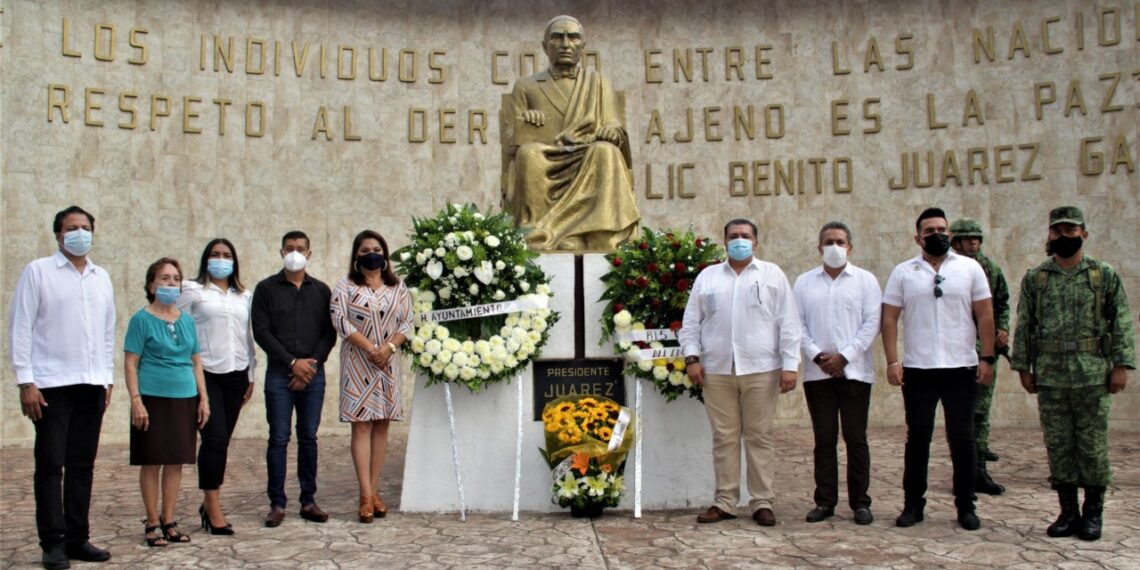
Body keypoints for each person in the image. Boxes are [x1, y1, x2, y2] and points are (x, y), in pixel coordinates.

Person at [1010, 206, 1134, 541]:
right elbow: (1025, 326)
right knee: (1059, 446)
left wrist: (1121, 365)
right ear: (1049, 234)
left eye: (1070, 230)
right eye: (1057, 231)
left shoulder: (1102, 274)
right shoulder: (1037, 278)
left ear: (1084, 234)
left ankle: (1093, 513)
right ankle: (1067, 512)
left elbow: (1121, 320)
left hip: (1092, 376)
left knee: (1092, 447)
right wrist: (1023, 367)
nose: (1064, 236)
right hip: (1051, 377)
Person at [9, 206, 115, 569]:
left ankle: (77, 538)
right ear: (58, 235)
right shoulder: (38, 272)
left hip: (91, 384)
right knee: (51, 464)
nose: (80, 233)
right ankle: (52, 542)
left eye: (86, 227)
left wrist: (107, 377)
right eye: (72, 228)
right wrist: (26, 380)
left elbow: (106, 331)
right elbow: (21, 327)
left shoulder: (101, 277)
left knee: (83, 463)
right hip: (51, 385)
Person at [679, 218, 801, 526]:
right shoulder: (708, 277)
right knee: (724, 437)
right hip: (717, 370)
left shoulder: (772, 275)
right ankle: (725, 502)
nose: (739, 240)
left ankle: (762, 502)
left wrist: (790, 365)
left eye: (745, 236)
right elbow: (691, 322)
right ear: (724, 241)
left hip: (761, 369)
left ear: (756, 242)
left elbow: (788, 322)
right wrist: (692, 358)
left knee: (759, 436)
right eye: (734, 236)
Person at [881, 207, 995, 531]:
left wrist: (987, 358)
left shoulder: (970, 269)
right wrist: (892, 360)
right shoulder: (903, 272)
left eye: (942, 229)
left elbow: (985, 315)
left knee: (963, 439)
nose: (937, 234)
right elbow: (889, 317)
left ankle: (966, 507)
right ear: (918, 237)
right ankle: (913, 506)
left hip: (962, 368)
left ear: (950, 233)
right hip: (919, 370)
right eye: (929, 230)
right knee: (918, 439)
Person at [503, 14, 640, 251]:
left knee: (606, 152)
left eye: (573, 37)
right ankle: (540, 232)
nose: (566, 44)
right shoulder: (526, 86)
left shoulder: (598, 82)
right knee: (528, 155)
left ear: (582, 46)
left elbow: (614, 125)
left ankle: (595, 231)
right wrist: (525, 120)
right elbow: (509, 139)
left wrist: (611, 132)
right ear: (545, 46)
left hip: (586, 150)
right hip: (548, 154)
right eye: (557, 37)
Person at [792, 221, 881, 525]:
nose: (834, 247)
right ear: (819, 248)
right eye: (829, 242)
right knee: (824, 439)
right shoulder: (804, 283)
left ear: (850, 247)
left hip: (855, 373)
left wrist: (844, 357)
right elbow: (797, 325)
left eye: (840, 242)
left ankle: (861, 503)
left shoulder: (866, 281)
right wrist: (818, 356)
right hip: (818, 377)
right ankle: (825, 501)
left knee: (856, 438)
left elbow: (872, 323)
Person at [252, 231, 337, 527]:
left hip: (313, 374)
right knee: (278, 437)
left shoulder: (322, 291)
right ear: (280, 252)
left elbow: (330, 332)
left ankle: (308, 500)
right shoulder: (265, 289)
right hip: (280, 372)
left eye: (300, 249)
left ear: (309, 254)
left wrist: (309, 366)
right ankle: (276, 503)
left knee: (308, 437)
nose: (295, 253)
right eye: (289, 248)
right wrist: (291, 363)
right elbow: (261, 331)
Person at [123, 258, 210, 547]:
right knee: (152, 461)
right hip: (152, 397)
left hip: (184, 397)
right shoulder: (141, 319)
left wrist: (203, 399)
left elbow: (196, 361)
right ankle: (151, 521)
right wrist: (136, 400)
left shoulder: (186, 321)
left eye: (175, 279)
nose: (171, 283)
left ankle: (169, 519)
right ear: (151, 284)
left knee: (176, 462)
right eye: (164, 278)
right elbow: (130, 362)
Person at [329, 230, 414, 523]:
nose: (372, 253)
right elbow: (339, 319)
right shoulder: (345, 286)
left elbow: (408, 320)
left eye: (377, 248)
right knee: (361, 426)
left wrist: (389, 347)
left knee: (381, 426)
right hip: (358, 363)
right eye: (365, 249)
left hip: (387, 363)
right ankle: (365, 494)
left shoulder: (397, 286)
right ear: (356, 255)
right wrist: (370, 348)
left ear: (385, 253)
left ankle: (375, 490)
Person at [176, 239, 256, 534]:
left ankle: (210, 500)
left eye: (226, 255)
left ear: (234, 262)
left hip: (236, 374)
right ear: (205, 259)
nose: (220, 260)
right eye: (214, 255)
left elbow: (246, 336)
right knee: (214, 437)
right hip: (205, 373)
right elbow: (178, 327)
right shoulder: (192, 290)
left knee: (222, 440)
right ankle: (212, 504)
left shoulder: (243, 295)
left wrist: (251, 374)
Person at [948, 218, 1009, 496]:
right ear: (956, 241)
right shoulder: (943, 269)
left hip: (982, 353)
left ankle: (979, 471)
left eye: (977, 238)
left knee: (980, 414)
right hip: (956, 354)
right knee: (961, 417)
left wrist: (1003, 328)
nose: (974, 242)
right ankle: (964, 472)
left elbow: (1001, 304)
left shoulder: (989, 268)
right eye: (967, 238)